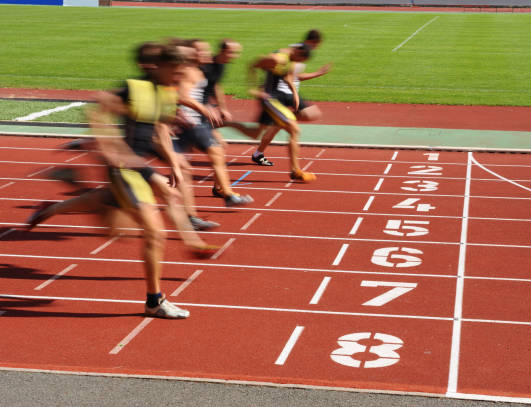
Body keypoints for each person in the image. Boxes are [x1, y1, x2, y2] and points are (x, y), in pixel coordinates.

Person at [27, 44, 217, 319]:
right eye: (176, 74)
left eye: (181, 75)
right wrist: (105, 144)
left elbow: (159, 132)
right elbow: (99, 107)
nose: (179, 80)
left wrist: (174, 163)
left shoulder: (166, 94)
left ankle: (52, 206)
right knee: (150, 232)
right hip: (122, 168)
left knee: (126, 210)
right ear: (160, 67)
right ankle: (155, 301)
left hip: (139, 166)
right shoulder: (133, 88)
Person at [173, 39, 253, 207]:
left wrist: (217, 107)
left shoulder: (203, 69)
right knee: (212, 153)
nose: (206, 54)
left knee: (214, 151)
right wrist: (204, 108)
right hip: (191, 121)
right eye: (200, 51)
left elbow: (212, 87)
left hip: (197, 119)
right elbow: (181, 95)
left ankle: (222, 191)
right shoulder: (192, 71)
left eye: (206, 51)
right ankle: (226, 194)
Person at [226, 43, 316, 182]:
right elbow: (252, 64)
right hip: (270, 98)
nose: (299, 63)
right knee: (294, 129)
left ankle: (228, 124)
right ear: (297, 52)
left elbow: (288, 78)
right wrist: (254, 89)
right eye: (300, 59)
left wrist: (295, 94)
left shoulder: (292, 60)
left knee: (255, 133)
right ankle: (295, 171)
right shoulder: (277, 59)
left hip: (277, 98)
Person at [251, 29, 331, 167]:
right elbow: (286, 71)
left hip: (289, 92)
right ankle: (260, 152)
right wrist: (318, 73)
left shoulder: (301, 53)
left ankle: (259, 152)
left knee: (308, 115)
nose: (317, 48)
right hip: (280, 93)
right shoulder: (293, 52)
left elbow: (292, 75)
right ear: (313, 42)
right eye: (318, 44)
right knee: (282, 124)